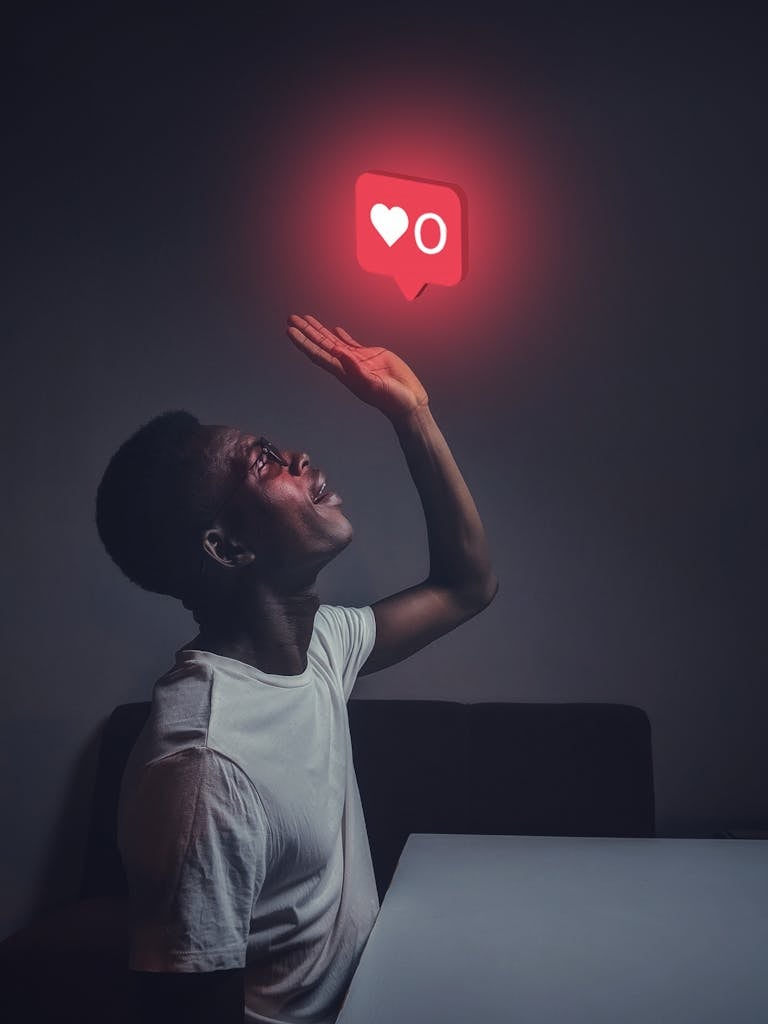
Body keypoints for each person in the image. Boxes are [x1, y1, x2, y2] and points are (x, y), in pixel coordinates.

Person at [95, 313, 498, 1024]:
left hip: (383, 993)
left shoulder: (317, 647)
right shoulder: (203, 767)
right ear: (227, 548)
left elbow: (467, 585)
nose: (300, 459)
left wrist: (413, 415)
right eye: (265, 462)